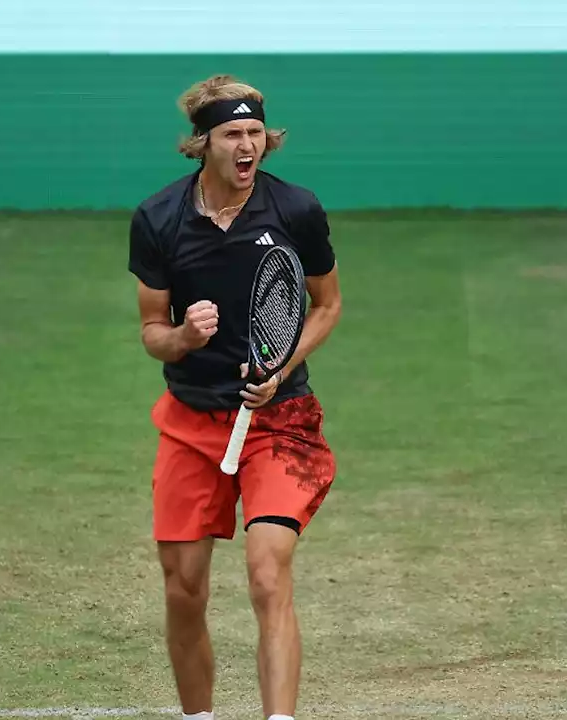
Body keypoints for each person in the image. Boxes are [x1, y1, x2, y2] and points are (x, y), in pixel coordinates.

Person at [126, 74, 343, 720]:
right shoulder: (159, 219)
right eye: (232, 134)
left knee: (267, 574)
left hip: (280, 423)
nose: (247, 146)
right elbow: (149, 334)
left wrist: (282, 362)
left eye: (255, 133)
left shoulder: (296, 210)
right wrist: (184, 337)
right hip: (192, 423)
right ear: (204, 143)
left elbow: (327, 306)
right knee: (183, 589)